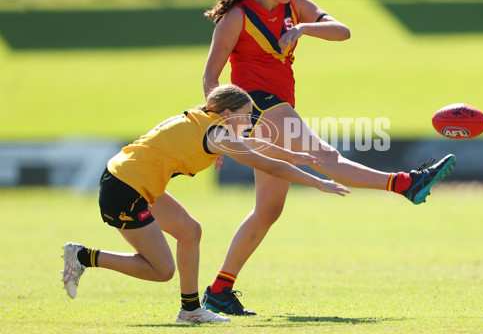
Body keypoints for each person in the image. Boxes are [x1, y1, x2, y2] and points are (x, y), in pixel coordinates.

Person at [200, 0, 456, 316]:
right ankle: (405, 183)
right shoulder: (236, 17)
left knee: (268, 210)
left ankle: (219, 290)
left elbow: (343, 31)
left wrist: (304, 27)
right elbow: (210, 77)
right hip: (257, 106)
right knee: (325, 156)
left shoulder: (294, 6)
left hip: (274, 107)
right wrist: (224, 124)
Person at [61, 84, 350, 324]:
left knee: (190, 231)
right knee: (162, 271)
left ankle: (190, 310)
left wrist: (294, 155)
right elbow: (269, 166)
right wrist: (318, 182)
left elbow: (251, 143)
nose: (249, 122)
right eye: (246, 116)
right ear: (227, 113)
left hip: (130, 178)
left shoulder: (205, 119)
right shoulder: (216, 135)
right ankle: (84, 257)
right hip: (125, 190)